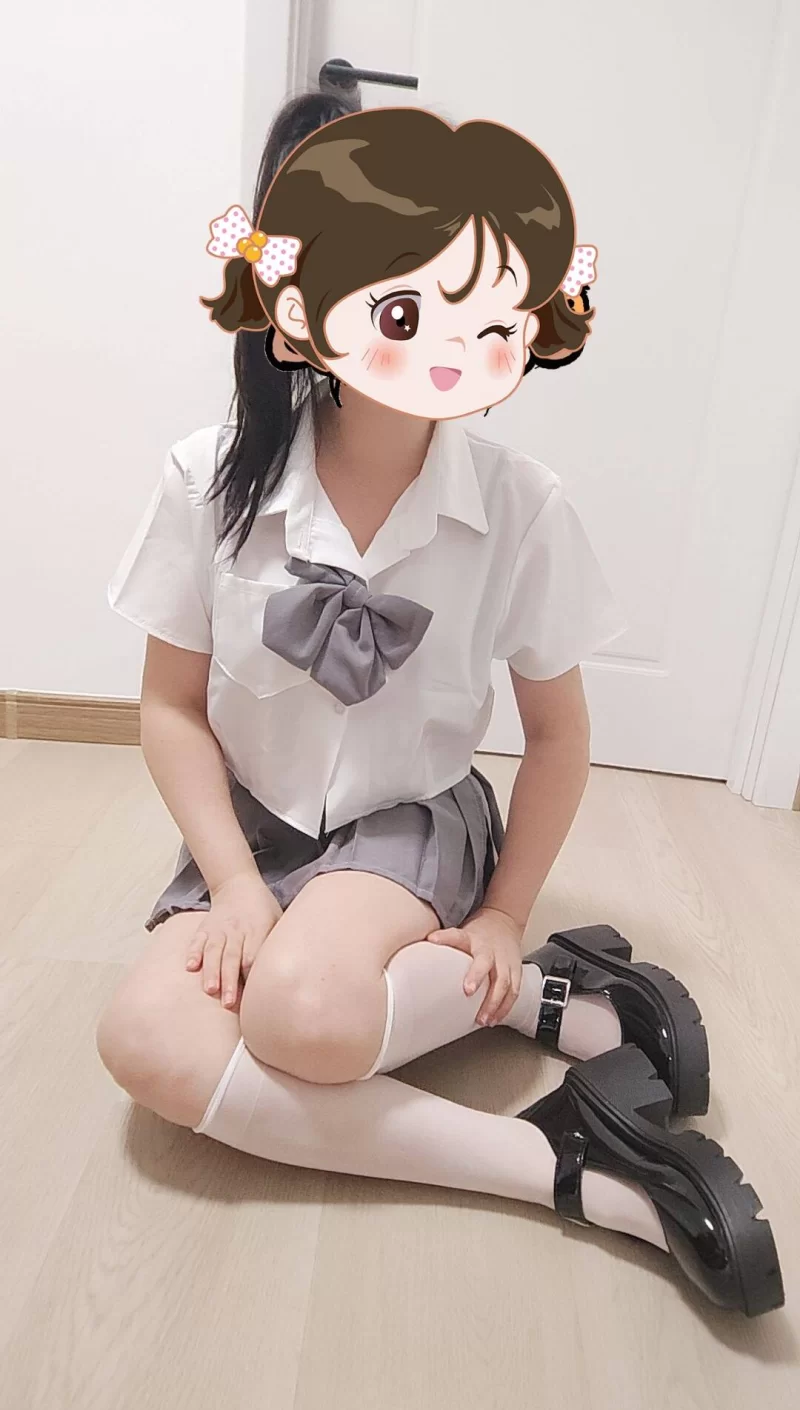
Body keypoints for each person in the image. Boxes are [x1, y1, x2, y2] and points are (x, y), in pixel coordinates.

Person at [96, 92, 783, 1317]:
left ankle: (522, 1000)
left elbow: (558, 735)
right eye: (404, 308)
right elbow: (170, 708)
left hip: (410, 822)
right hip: (253, 834)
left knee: (303, 1016)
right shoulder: (205, 481)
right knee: (142, 1041)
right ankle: (568, 1152)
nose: (450, 348)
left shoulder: (519, 504)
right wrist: (238, 886)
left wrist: (505, 913)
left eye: (484, 312)